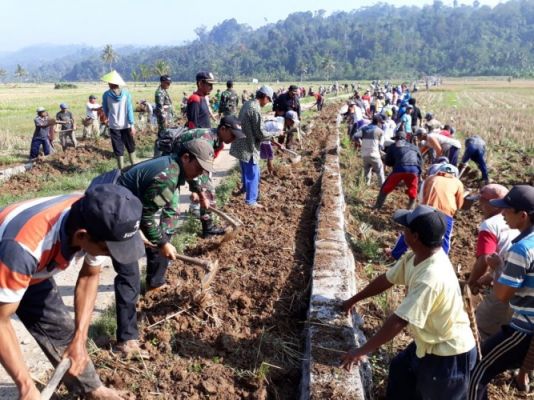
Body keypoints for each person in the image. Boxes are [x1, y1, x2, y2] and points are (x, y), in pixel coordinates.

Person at [0, 184, 144, 400]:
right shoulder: (23, 248)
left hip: (31, 269)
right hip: (10, 256)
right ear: (82, 236)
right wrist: (26, 386)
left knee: (65, 333)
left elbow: (89, 275)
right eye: (108, 250)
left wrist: (80, 339)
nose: (112, 256)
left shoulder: (94, 217)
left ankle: (92, 390)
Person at [91, 140, 216, 358]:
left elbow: (144, 212)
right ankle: (126, 340)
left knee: (137, 257)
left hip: (119, 196)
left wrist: (151, 237)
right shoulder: (167, 179)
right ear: (186, 158)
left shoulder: (175, 166)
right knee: (129, 275)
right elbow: (147, 217)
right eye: (198, 167)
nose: (198, 174)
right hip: (110, 203)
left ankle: (149, 287)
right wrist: (161, 243)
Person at [341, 205, 476, 400]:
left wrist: (361, 351)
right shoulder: (415, 257)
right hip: (428, 343)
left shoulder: (431, 277)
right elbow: (386, 279)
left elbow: (400, 320)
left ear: (415, 236)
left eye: (405, 228)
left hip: (449, 354)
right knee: (400, 371)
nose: (401, 231)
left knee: (430, 394)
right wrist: (352, 300)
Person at [469, 185, 534, 400]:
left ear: (523, 216)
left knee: (477, 370)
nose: (502, 214)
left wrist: (498, 267)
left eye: (507, 210)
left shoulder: (522, 249)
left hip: (524, 327)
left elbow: (502, 295)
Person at [172, 116, 245, 237]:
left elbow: (204, 169)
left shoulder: (217, 141)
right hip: (174, 165)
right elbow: (194, 166)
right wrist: (199, 192)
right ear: (223, 129)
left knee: (208, 191)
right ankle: (163, 241)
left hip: (188, 165)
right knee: (171, 203)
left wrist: (199, 191)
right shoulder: (206, 140)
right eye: (232, 134)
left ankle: (208, 228)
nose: (234, 139)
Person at [466, 185, 518, 340]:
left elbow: (485, 259)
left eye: (481, 202)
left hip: (505, 287)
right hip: (521, 289)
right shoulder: (519, 223)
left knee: (480, 328)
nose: (480, 207)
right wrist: (489, 276)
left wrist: (471, 283)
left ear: (491, 204)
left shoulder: (490, 225)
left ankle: (477, 362)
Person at [390, 163, 464, 259]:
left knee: (411, 231)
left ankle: (395, 254)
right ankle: (441, 262)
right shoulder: (458, 183)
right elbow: (459, 204)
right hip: (445, 214)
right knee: (444, 239)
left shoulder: (431, 178)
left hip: (426, 210)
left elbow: (422, 197)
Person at [230, 86, 276, 208]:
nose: (268, 103)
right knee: (253, 173)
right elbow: (260, 133)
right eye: (269, 100)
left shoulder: (248, 104)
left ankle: (248, 191)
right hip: (248, 146)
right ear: (265, 97)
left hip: (241, 143)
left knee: (247, 171)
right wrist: (273, 135)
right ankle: (251, 201)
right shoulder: (255, 109)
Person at [375, 131, 422, 210]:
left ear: (396, 139)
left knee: (385, 188)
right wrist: (419, 173)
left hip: (400, 168)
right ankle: (410, 211)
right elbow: (420, 161)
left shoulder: (393, 146)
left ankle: (377, 207)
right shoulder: (414, 147)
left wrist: (394, 163)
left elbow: (388, 162)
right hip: (414, 170)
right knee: (413, 191)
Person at [101, 70, 136, 169]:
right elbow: (129, 110)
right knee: (130, 146)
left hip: (114, 126)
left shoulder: (106, 95)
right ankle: (134, 167)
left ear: (111, 83)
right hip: (126, 125)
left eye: (109, 82)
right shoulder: (126, 94)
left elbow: (105, 110)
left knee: (118, 148)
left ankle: (121, 170)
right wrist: (132, 125)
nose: (108, 84)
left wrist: (107, 119)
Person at [352, 114, 385, 187]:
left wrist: (360, 142)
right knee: (380, 171)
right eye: (381, 123)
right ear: (378, 122)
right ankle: (382, 187)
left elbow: (355, 136)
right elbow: (381, 145)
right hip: (374, 155)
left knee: (366, 171)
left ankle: (366, 186)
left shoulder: (364, 129)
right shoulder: (380, 131)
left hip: (364, 154)